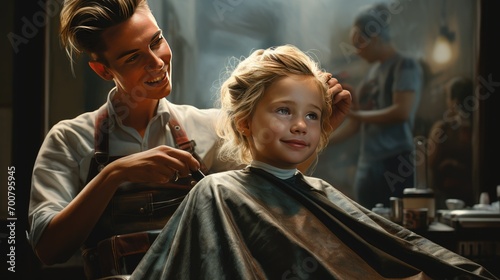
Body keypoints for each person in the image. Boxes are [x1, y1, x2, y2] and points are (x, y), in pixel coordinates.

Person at [26, 0, 351, 279]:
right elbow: (48, 249)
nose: (156, 62)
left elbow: (274, 198)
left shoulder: (211, 128)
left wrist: (318, 131)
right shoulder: (69, 140)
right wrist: (114, 175)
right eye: (132, 58)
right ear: (103, 70)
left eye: (156, 41)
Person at [129, 44, 496, 280]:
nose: (301, 125)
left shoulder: (317, 191)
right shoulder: (218, 193)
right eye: (284, 110)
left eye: (314, 115)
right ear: (244, 121)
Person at [329, 3, 423, 209]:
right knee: (369, 224)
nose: (357, 51)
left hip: (395, 162)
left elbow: (402, 112)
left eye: (359, 43)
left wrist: (358, 115)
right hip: (369, 161)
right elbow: (356, 123)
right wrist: (322, 141)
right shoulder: (372, 73)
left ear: (376, 39)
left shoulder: (404, 65)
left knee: (395, 228)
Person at [427, 76, 475, 209]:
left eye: (447, 96)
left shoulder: (443, 128)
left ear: (454, 101)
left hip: (447, 195)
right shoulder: (479, 129)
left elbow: (429, 162)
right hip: (469, 193)